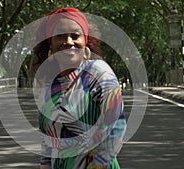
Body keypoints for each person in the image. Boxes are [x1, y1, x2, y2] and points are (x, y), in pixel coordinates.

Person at [31, 7, 126, 169]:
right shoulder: (47, 85)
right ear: (51, 44)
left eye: (75, 36)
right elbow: (47, 143)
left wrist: (98, 165)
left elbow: (117, 125)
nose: (68, 42)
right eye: (60, 36)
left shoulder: (98, 73)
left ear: (85, 41)